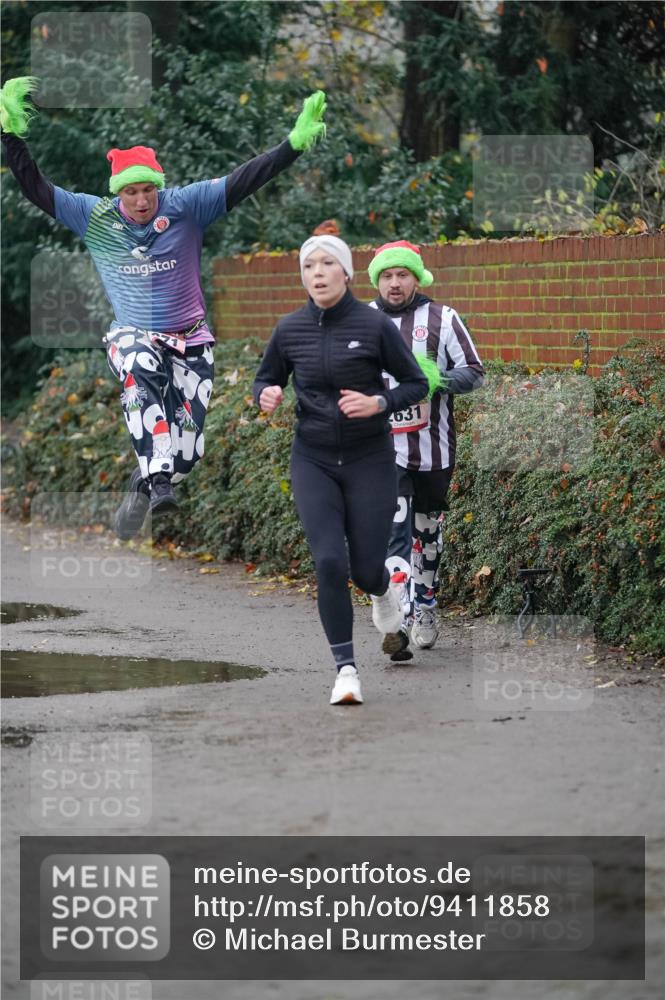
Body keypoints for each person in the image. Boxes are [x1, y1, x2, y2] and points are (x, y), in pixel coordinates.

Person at [0, 76, 326, 537]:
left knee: (187, 455)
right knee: (138, 362)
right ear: (118, 192)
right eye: (130, 192)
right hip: (133, 334)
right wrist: (10, 138)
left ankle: (145, 483)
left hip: (191, 338)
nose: (140, 200)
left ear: (159, 188)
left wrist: (292, 145)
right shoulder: (93, 216)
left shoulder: (189, 205)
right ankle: (156, 478)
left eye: (147, 191)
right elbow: (36, 187)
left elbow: (246, 178)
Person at [253, 235, 428, 705]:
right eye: (310, 265)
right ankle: (346, 670)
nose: (318, 272)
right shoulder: (289, 329)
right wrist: (265, 394)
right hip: (313, 460)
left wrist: (379, 402)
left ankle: (383, 594)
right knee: (329, 561)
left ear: (346, 273)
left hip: (370, 460)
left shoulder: (373, 327)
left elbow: (415, 384)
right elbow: (266, 377)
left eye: (328, 263)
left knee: (368, 568)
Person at [368, 240, 484, 660]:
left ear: (417, 278)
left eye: (402, 275)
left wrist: (434, 379)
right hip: (382, 449)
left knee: (426, 531)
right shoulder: (362, 320)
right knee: (393, 530)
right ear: (377, 281)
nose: (394, 283)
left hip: (433, 448)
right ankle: (397, 615)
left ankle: (427, 605)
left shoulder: (442, 318)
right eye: (386, 275)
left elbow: (475, 372)